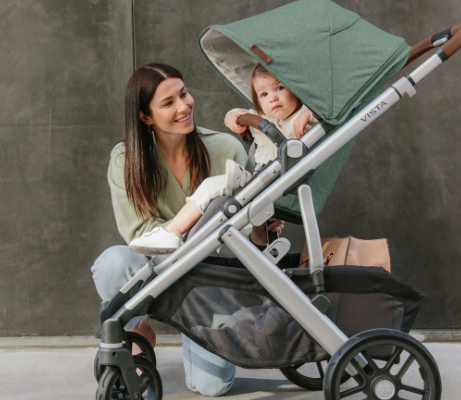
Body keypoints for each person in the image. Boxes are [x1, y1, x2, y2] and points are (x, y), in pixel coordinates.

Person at [91, 63, 283, 397]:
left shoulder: (226, 149)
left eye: (184, 94)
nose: (184, 106)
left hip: (210, 280)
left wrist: (263, 227)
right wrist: (201, 207)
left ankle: (197, 326)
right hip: (157, 271)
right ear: (145, 117)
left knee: (212, 386)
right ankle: (138, 332)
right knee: (113, 265)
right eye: (168, 103)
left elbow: (246, 240)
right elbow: (140, 238)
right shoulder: (126, 159)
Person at [127, 64, 316, 256]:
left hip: (270, 183)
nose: (273, 97)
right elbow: (234, 115)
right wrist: (234, 117)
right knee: (217, 192)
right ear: (146, 117)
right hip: (260, 181)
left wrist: (309, 112)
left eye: (280, 88)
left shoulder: (302, 119)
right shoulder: (266, 119)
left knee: (212, 187)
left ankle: (171, 233)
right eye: (263, 94)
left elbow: (325, 115)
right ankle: (172, 234)